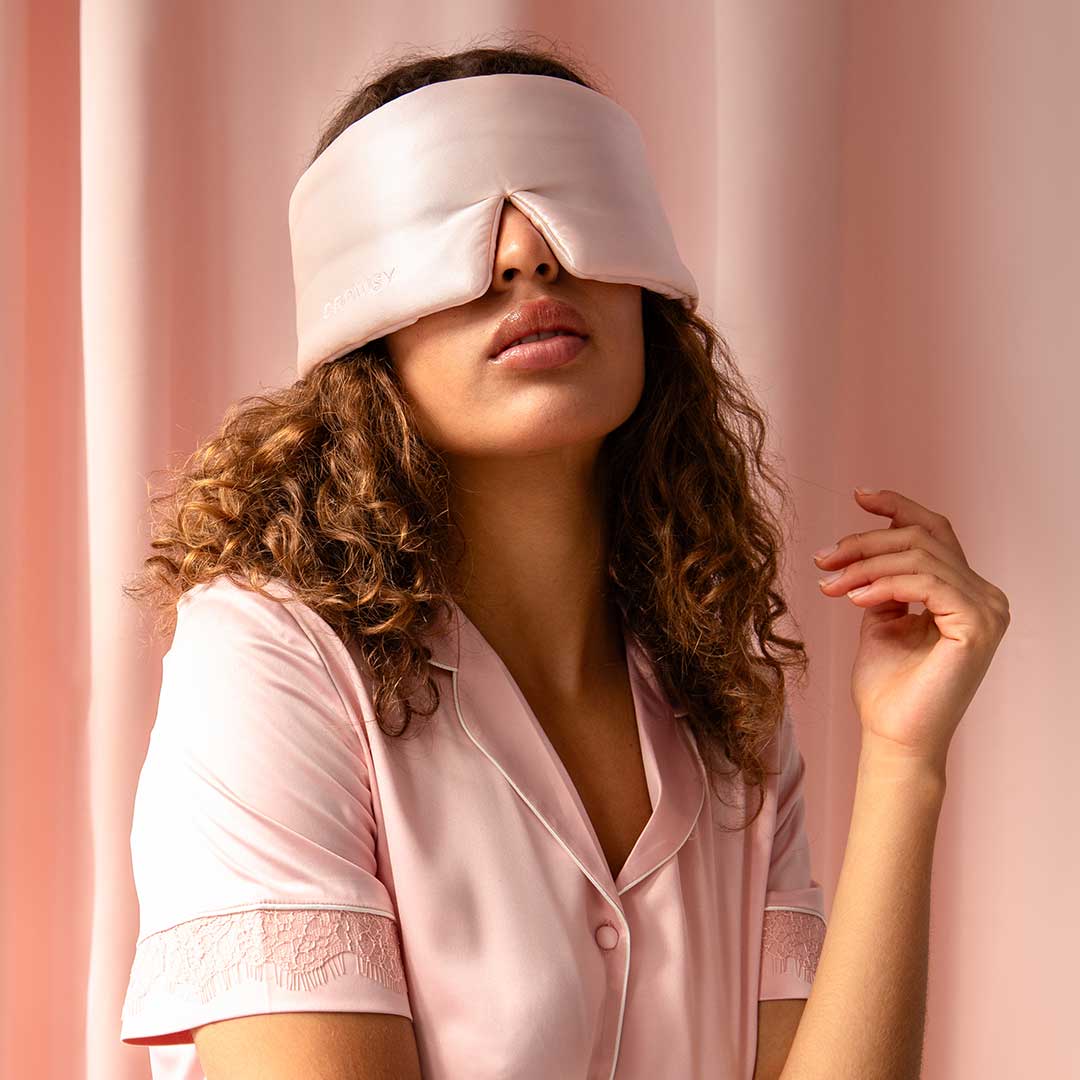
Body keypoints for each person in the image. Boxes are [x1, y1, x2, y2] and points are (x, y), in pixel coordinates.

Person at [118, 38, 827, 1080]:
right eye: (451, 221)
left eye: (570, 203)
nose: (527, 255)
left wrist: (910, 762)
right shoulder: (266, 661)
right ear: (366, 338)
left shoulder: (724, 699)